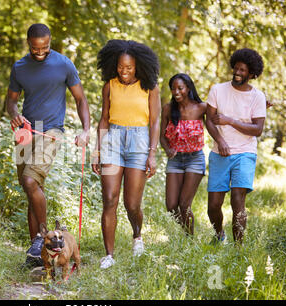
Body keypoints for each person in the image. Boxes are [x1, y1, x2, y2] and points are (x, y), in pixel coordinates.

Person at [6, 24, 90, 268]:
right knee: (29, 188)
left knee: (31, 181)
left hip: (51, 130)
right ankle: (38, 251)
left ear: (50, 42)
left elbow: (80, 98)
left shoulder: (64, 64)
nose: (40, 52)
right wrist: (14, 114)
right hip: (26, 131)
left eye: (45, 47)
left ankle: (41, 237)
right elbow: (11, 101)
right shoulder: (20, 67)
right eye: (35, 48)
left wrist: (85, 130)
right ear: (28, 43)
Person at [91, 40, 161, 269]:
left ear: (138, 66)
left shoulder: (149, 87)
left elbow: (154, 122)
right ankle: (109, 255)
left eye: (129, 67)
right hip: (113, 140)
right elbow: (103, 118)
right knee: (110, 199)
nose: (124, 71)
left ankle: (137, 235)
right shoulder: (109, 86)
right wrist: (97, 149)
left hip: (139, 143)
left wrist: (152, 154)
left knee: (132, 204)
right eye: (121, 67)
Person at [205, 48, 266, 244]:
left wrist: (230, 120)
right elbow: (209, 120)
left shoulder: (258, 97)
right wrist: (220, 141)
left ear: (252, 74)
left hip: (245, 153)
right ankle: (219, 235)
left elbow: (257, 129)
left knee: (237, 200)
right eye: (236, 68)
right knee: (214, 204)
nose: (238, 73)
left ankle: (238, 248)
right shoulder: (217, 90)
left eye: (243, 70)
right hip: (219, 152)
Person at [159, 74, 206, 235]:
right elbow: (162, 136)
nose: (176, 91)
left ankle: (190, 239)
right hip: (175, 159)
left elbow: (223, 116)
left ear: (188, 88)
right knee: (171, 206)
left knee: (185, 204)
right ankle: (187, 231)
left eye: (180, 88)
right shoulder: (168, 109)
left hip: (195, 158)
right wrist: (167, 149)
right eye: (173, 88)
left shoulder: (201, 108)